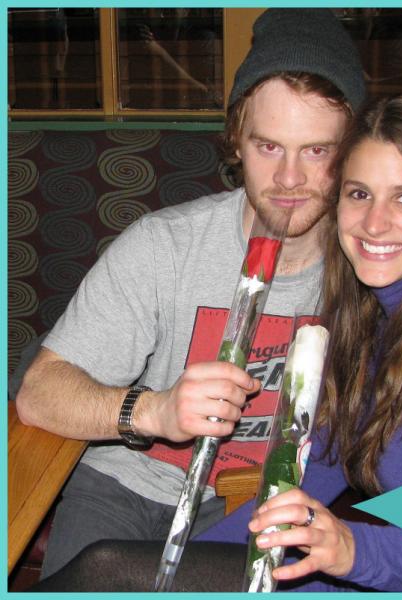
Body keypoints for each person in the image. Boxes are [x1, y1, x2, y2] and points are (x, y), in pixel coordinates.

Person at [29, 94, 402, 593]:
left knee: (108, 571)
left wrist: (353, 549)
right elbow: (318, 464)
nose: (375, 222)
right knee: (114, 569)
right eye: (359, 194)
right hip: (363, 571)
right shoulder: (371, 316)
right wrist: (188, 566)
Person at [15, 8, 365, 579]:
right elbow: (39, 394)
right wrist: (155, 410)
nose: (289, 178)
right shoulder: (165, 246)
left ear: (352, 151)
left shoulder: (371, 271)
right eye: (268, 146)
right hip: (123, 484)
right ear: (237, 141)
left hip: (253, 501)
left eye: (317, 150)